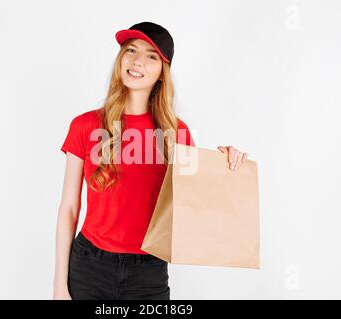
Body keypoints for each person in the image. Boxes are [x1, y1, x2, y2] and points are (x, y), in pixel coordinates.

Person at [53, 21, 248, 300]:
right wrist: (59, 287)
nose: (137, 61)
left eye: (151, 56)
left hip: (148, 271)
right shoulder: (85, 125)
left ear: (162, 72)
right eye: (131, 50)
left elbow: (198, 205)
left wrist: (227, 164)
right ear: (121, 59)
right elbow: (69, 208)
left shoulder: (177, 134)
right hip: (89, 266)